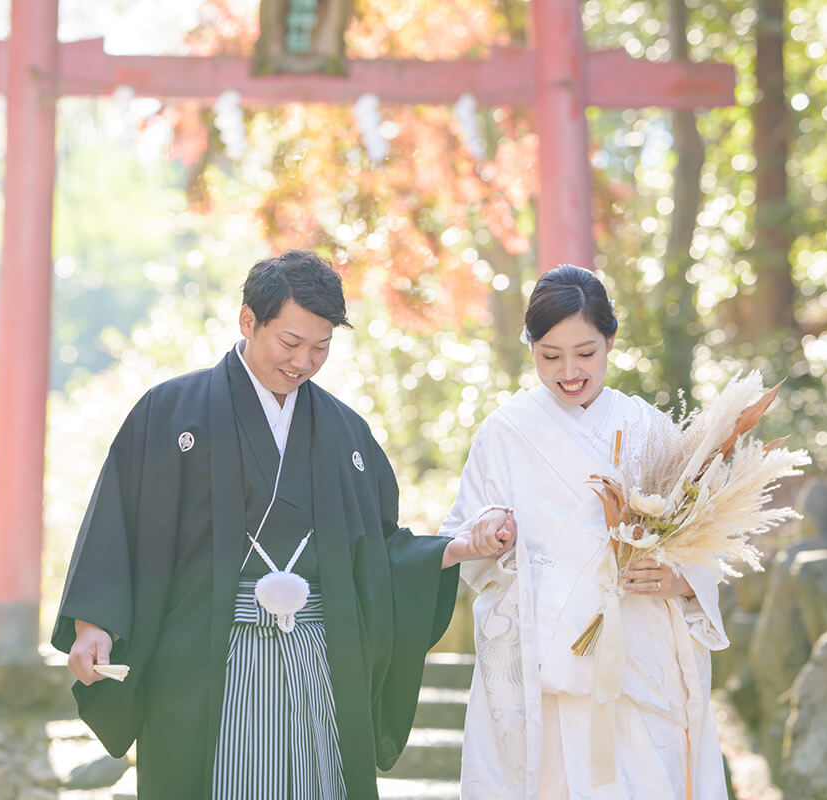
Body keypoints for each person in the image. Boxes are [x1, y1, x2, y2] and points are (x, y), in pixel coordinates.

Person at [52, 249, 514, 800]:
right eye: (290, 343)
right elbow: (119, 524)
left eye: (321, 348)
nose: (304, 362)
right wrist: (94, 623)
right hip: (203, 655)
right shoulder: (171, 412)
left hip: (316, 653)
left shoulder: (345, 433)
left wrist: (456, 548)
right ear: (248, 321)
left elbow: (377, 553)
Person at [441, 265, 729, 799]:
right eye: (550, 355)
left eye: (585, 353)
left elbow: (706, 547)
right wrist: (487, 538)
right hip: (544, 659)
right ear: (531, 348)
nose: (569, 370)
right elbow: (464, 538)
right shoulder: (504, 433)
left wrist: (677, 579)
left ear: (611, 341)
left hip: (638, 658)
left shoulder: (650, 428)